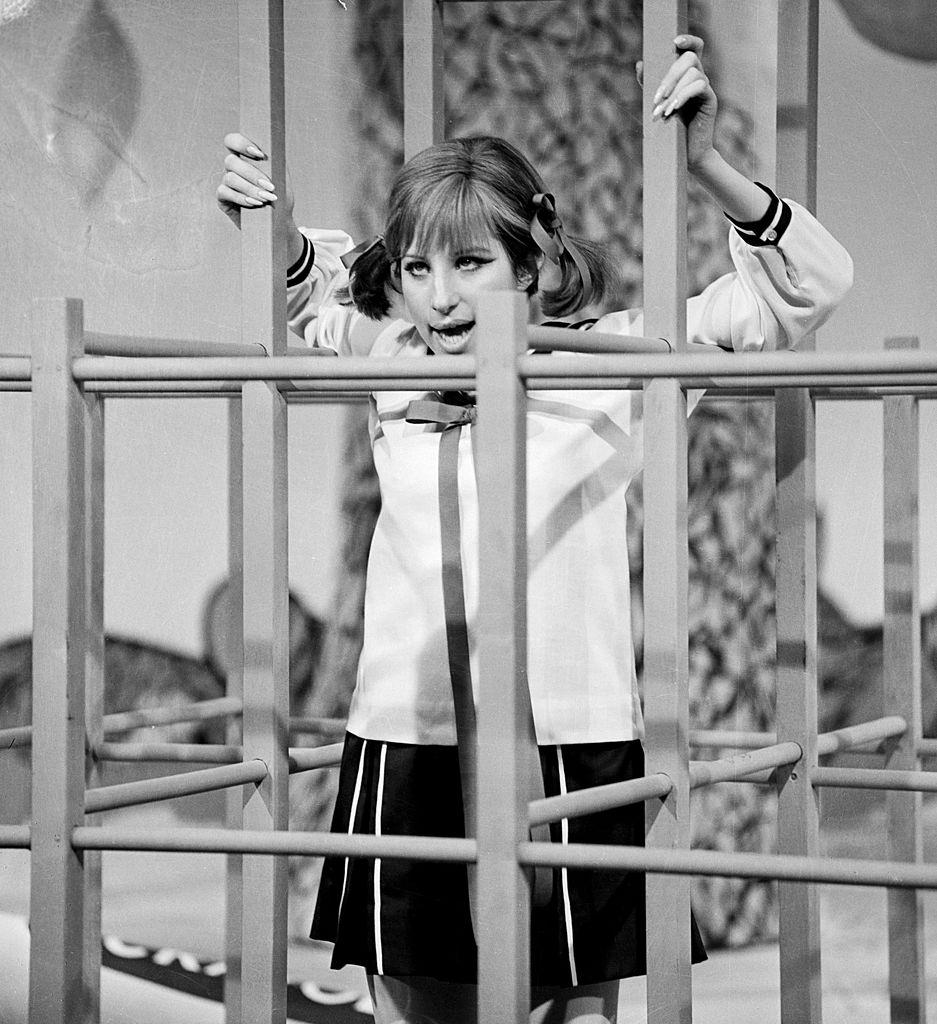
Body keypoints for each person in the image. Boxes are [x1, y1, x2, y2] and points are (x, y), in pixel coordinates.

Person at [217, 36, 852, 1024]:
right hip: (405, 739)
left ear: (535, 262)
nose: (439, 293)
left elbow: (803, 290)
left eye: (471, 262)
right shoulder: (392, 351)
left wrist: (710, 167)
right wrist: (274, 217)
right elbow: (311, 298)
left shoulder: (612, 361)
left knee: (575, 1010)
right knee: (412, 1006)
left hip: (574, 737)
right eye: (418, 265)